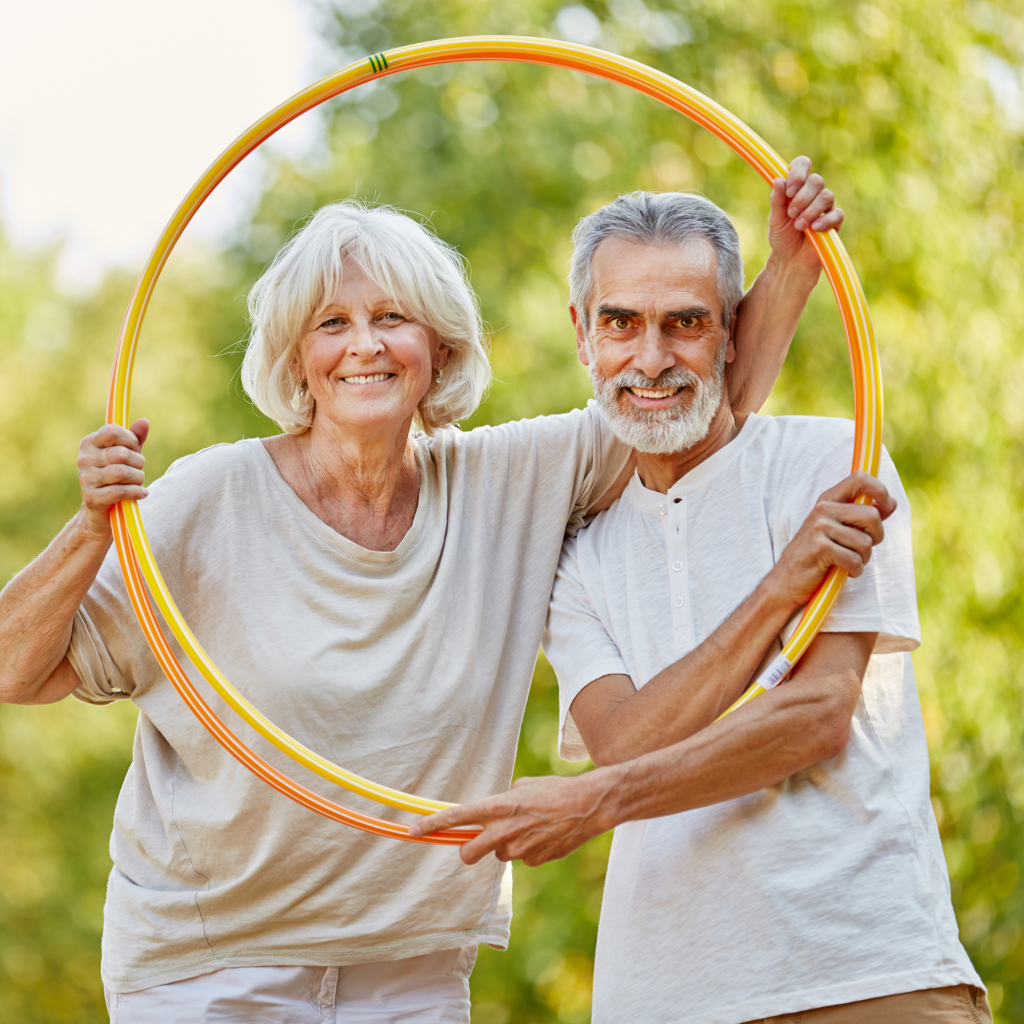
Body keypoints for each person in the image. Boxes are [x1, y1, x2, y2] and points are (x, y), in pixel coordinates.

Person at [0, 164, 844, 1023]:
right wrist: (92, 530)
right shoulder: (208, 497)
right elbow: (16, 669)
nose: (364, 344)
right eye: (333, 323)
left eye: (391, 318)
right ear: (298, 356)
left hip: (415, 968)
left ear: (438, 347)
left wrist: (791, 266)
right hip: (211, 967)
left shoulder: (510, 483)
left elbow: (684, 402)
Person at [413, 192, 990, 1023]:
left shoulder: (830, 463)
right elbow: (625, 743)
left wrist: (598, 803)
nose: (651, 358)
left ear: (729, 332)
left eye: (686, 323)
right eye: (621, 324)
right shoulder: (575, 553)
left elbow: (818, 715)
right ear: (582, 332)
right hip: (663, 999)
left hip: (865, 975)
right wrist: (782, 586)